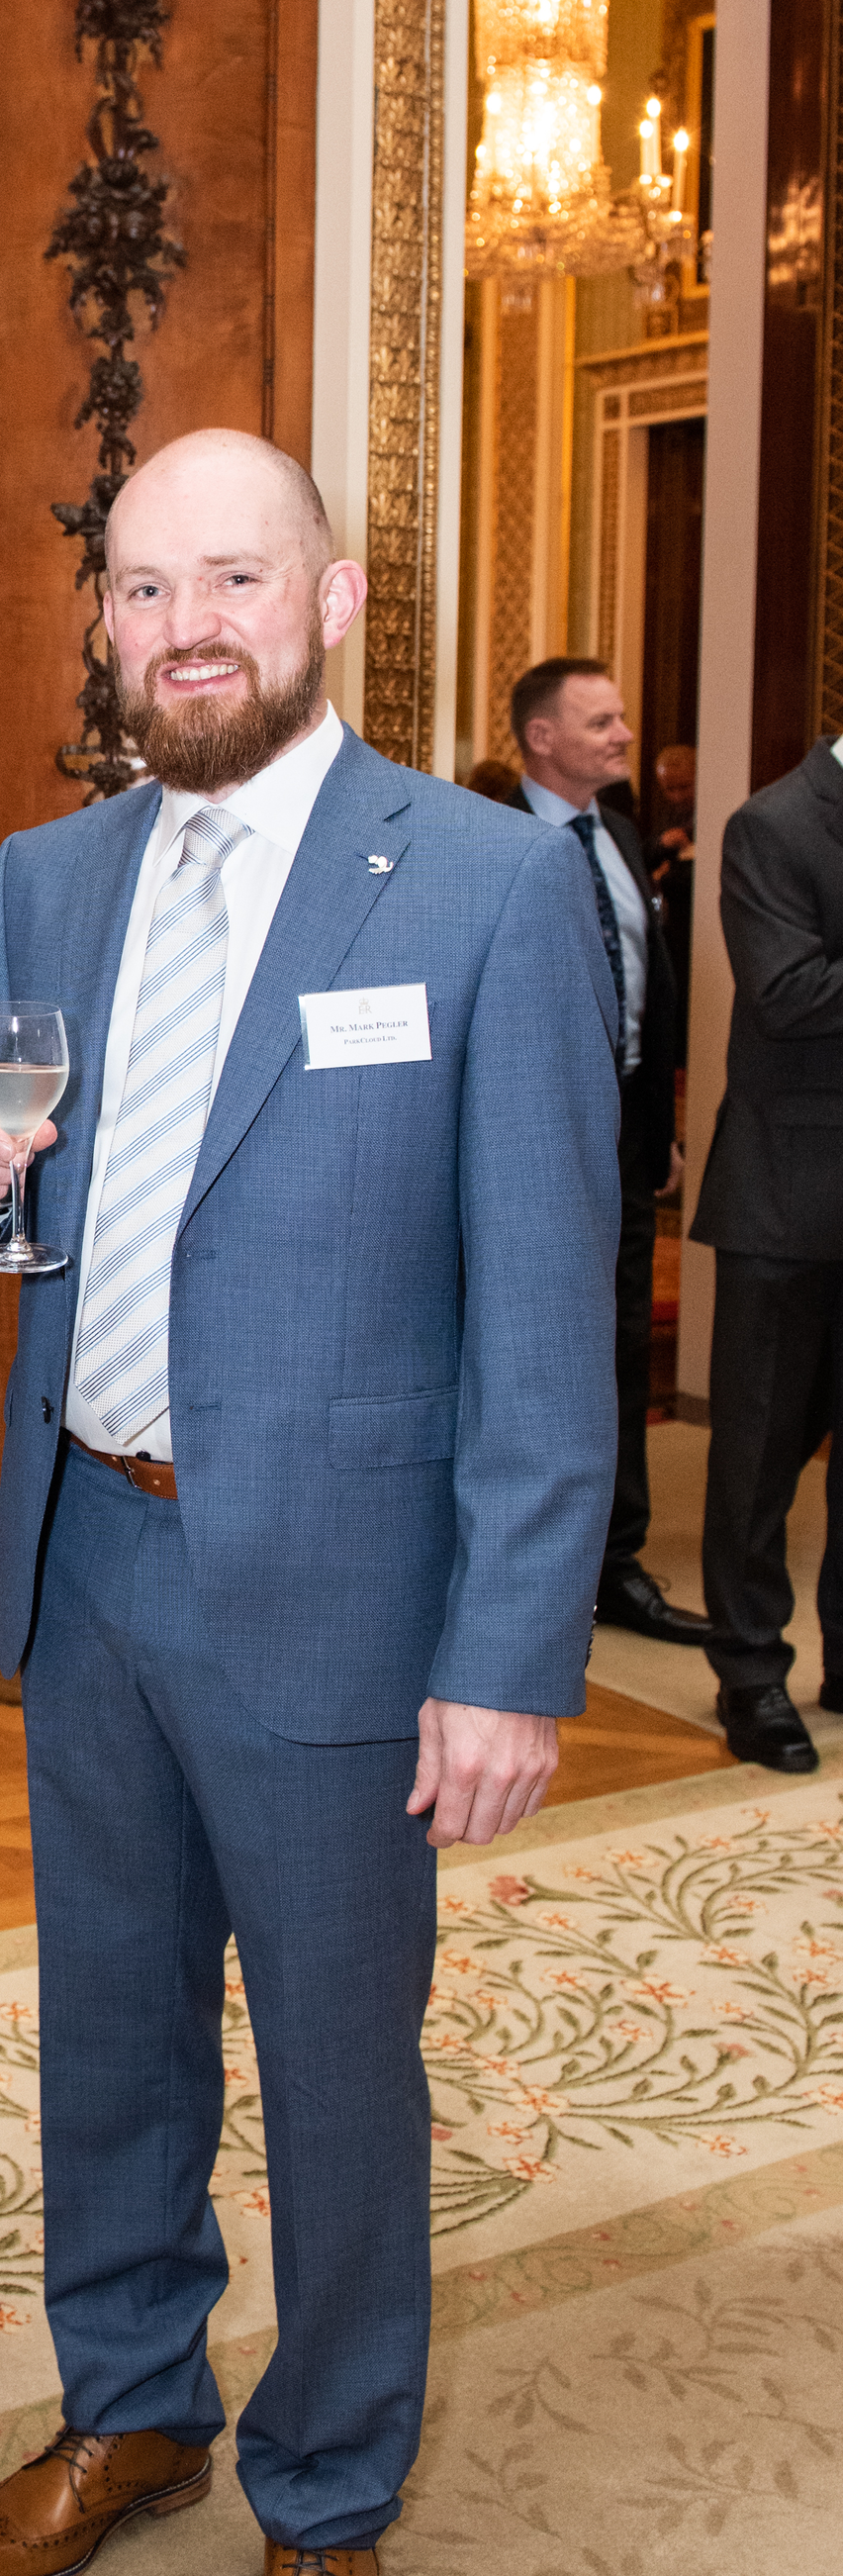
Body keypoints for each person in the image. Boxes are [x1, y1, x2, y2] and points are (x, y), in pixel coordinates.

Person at [0, 429, 618, 2576]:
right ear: (106, 623)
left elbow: (545, 1311)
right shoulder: (49, 875)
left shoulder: (491, 891)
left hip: (339, 1593)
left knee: (334, 2072)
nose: (182, 619)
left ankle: (323, 2510)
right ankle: (131, 2408)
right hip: (90, 1552)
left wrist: (510, 1650)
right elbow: (29, 1215)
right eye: (142, 584)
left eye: (233, 575)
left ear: (327, 601)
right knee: (106, 2032)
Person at [510, 659, 709, 1647]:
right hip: (522, 1144)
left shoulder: (622, 838)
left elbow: (652, 986)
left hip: (626, 1141)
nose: (625, 734)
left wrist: (661, 1121)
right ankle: (529, 1559)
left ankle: (613, 1560)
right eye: (603, 720)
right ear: (542, 737)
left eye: (624, 717)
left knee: (625, 1344)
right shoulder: (493, 842)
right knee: (533, 1349)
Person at [690, 736, 843, 1771]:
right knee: (756, 1462)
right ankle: (750, 1676)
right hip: (787, 1200)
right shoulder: (774, 825)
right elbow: (788, 992)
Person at [647, 741, 698, 1059]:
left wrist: (664, 875)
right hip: (670, 922)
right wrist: (662, 846)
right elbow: (644, 858)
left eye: (685, 787)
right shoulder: (665, 812)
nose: (677, 796)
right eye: (670, 789)